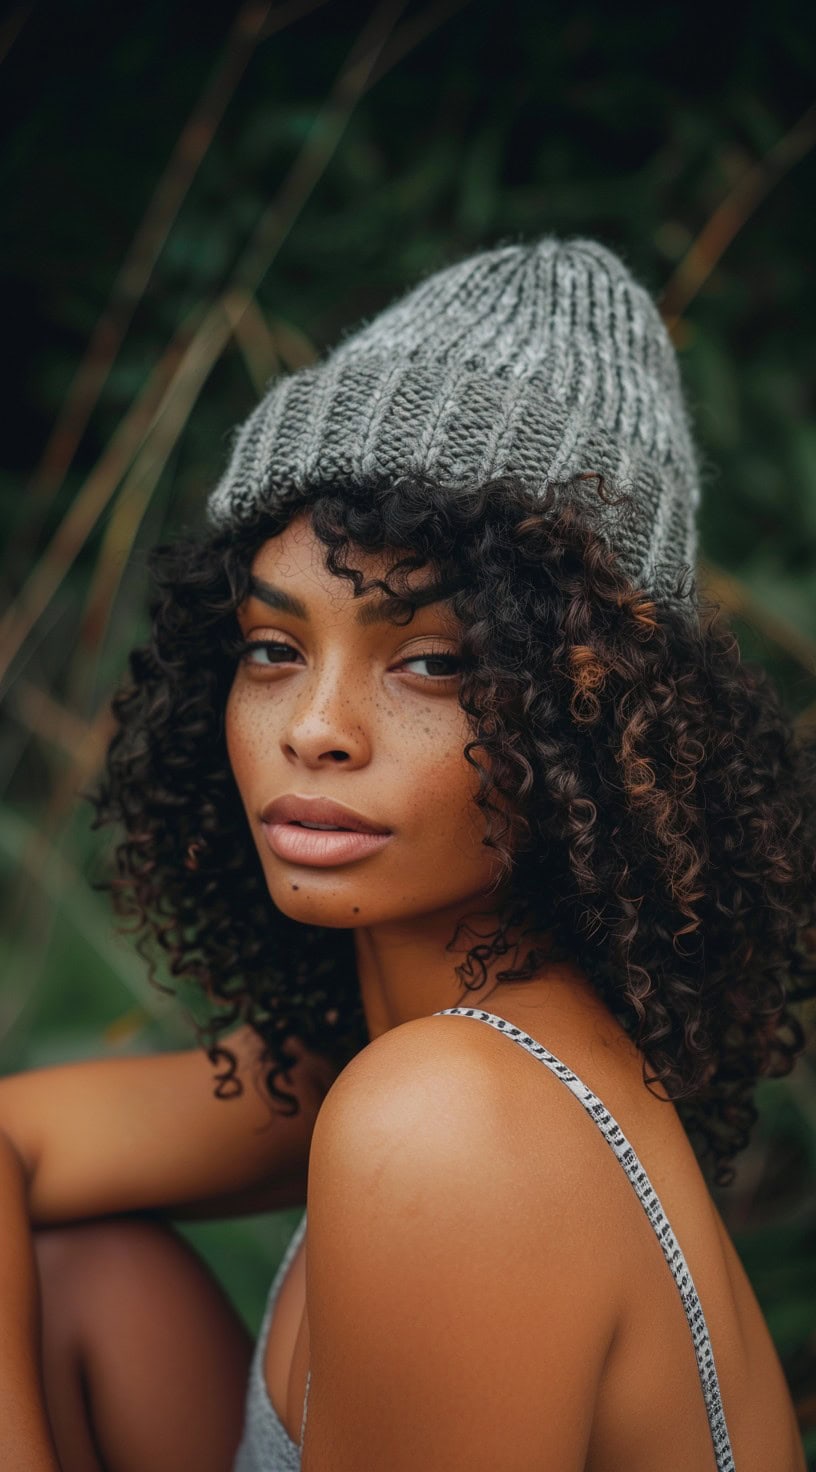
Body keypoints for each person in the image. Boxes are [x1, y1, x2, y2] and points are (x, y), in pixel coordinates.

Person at [1, 236, 813, 1472]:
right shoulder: (380, 1062)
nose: (314, 729)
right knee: (70, 1270)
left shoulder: (453, 1124)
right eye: (274, 647)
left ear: (594, 718)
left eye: (432, 660)